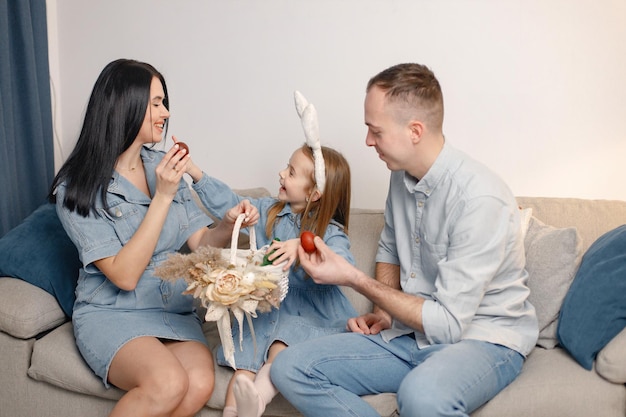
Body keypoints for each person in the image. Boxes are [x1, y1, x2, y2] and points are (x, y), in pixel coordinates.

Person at [270, 63, 539, 417]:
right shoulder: (401, 177)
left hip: (483, 339)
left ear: (415, 131)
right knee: (289, 367)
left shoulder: (479, 199)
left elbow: (448, 324)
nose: (367, 141)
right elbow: (389, 249)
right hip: (411, 335)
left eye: (375, 131)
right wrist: (383, 312)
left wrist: (352, 278)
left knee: (421, 397)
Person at [48, 58, 259, 417]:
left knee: (198, 382)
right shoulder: (75, 190)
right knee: (168, 382)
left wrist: (226, 223)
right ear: (124, 106)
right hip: (113, 313)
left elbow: (200, 245)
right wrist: (161, 196)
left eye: (164, 102)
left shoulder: (160, 164)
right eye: (156, 103)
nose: (165, 113)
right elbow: (124, 275)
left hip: (171, 311)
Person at [184, 92, 357, 417]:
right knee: (246, 355)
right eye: (286, 167)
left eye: (291, 172)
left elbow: (344, 266)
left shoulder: (330, 233)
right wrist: (196, 173)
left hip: (311, 314)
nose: (281, 173)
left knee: (281, 347)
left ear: (314, 193)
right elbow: (227, 200)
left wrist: (303, 246)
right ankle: (234, 412)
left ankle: (257, 401)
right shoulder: (268, 211)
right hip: (268, 307)